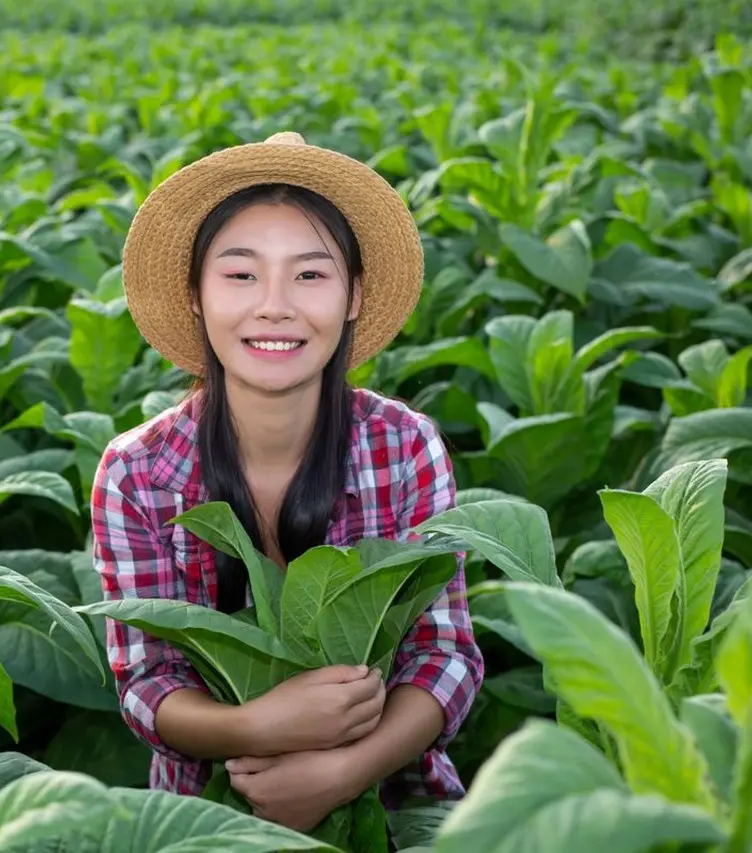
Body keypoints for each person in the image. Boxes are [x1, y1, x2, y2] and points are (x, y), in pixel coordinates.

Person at [89, 131, 484, 834]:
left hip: (398, 810)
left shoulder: (404, 447)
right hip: (208, 816)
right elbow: (149, 684)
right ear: (195, 294)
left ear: (355, 294)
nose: (275, 305)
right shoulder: (137, 472)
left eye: (310, 274)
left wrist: (345, 770)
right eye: (241, 274)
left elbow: (444, 654)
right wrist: (257, 724)